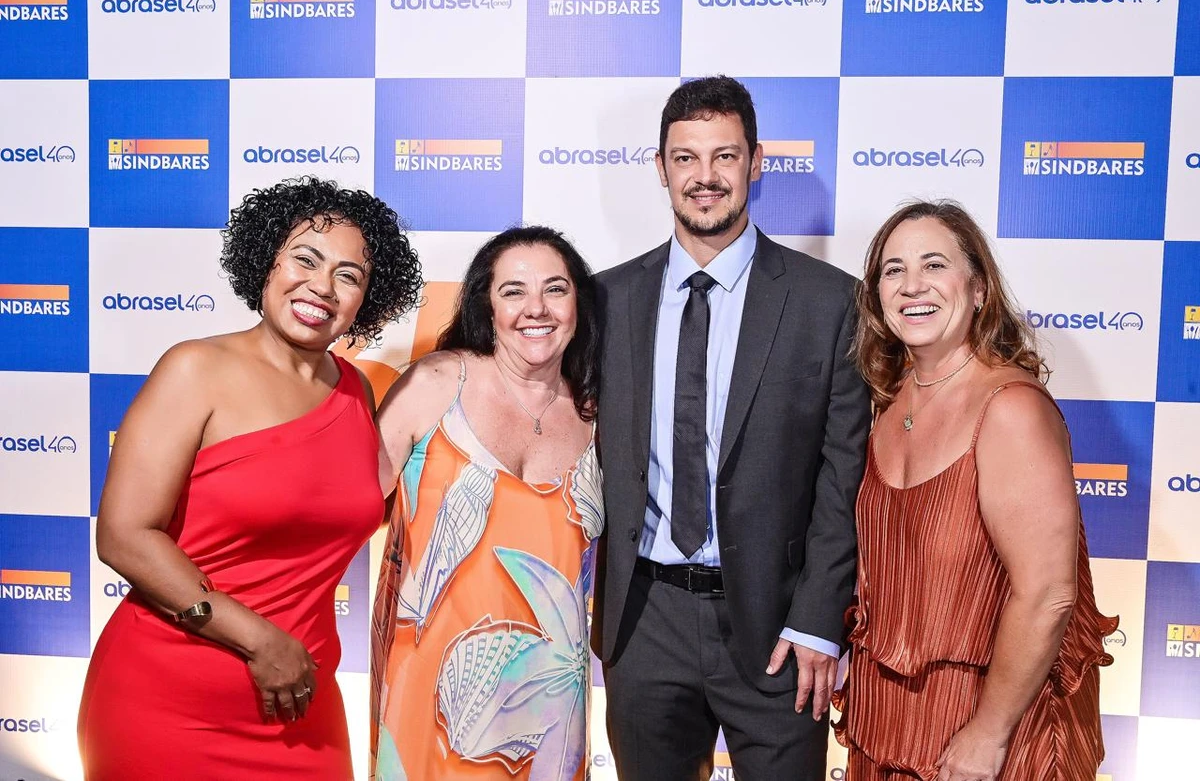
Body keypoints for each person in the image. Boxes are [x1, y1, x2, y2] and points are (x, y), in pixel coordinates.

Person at [77, 176, 423, 780]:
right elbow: (124, 537)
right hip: (169, 702)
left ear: (366, 300)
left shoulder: (356, 392)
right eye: (305, 259)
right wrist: (261, 641)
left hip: (301, 701)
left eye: (348, 275)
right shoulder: (195, 368)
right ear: (267, 261)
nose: (322, 286)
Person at [592, 75, 871, 779]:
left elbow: (844, 478)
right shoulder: (606, 299)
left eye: (725, 155)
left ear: (756, 162)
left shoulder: (829, 302)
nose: (705, 176)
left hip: (780, 625)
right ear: (661, 169)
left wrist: (818, 619)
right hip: (644, 621)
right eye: (685, 157)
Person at [833, 200, 1116, 781]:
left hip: (995, 729)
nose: (912, 285)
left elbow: (1048, 593)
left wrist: (989, 734)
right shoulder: (887, 401)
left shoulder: (1010, 408)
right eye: (893, 270)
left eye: (934, 265)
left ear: (979, 287)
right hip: (889, 720)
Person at [370, 225, 603, 781]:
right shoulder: (434, 383)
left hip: (549, 719)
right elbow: (339, 513)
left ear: (578, 304)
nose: (536, 308)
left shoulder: (598, 415)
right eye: (513, 291)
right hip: (424, 694)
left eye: (555, 289)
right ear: (487, 305)